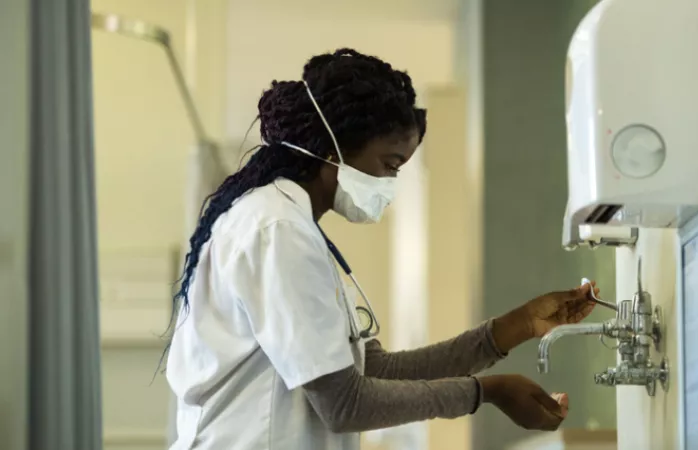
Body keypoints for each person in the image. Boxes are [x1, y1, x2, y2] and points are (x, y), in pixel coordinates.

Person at [166, 48, 598, 450]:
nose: (389, 185)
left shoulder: (291, 227)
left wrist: (518, 325)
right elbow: (344, 405)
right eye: (389, 165)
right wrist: (486, 392)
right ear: (335, 147)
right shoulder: (277, 230)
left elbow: (376, 372)